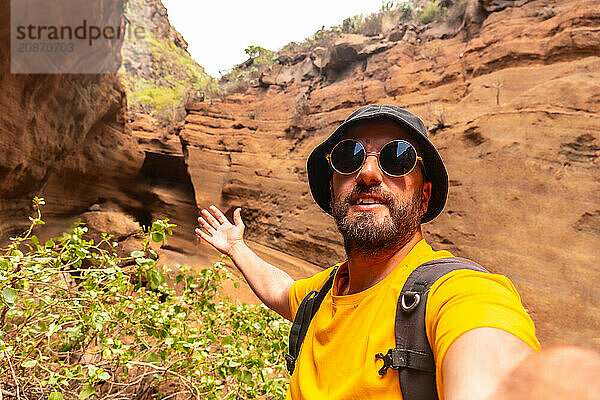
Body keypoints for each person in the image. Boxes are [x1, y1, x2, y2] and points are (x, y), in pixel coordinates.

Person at [195, 104, 540, 400]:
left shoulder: (457, 292)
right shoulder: (324, 293)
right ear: (332, 189)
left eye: (398, 157)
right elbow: (280, 291)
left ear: (424, 197)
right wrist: (236, 247)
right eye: (349, 156)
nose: (369, 172)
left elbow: (495, 362)